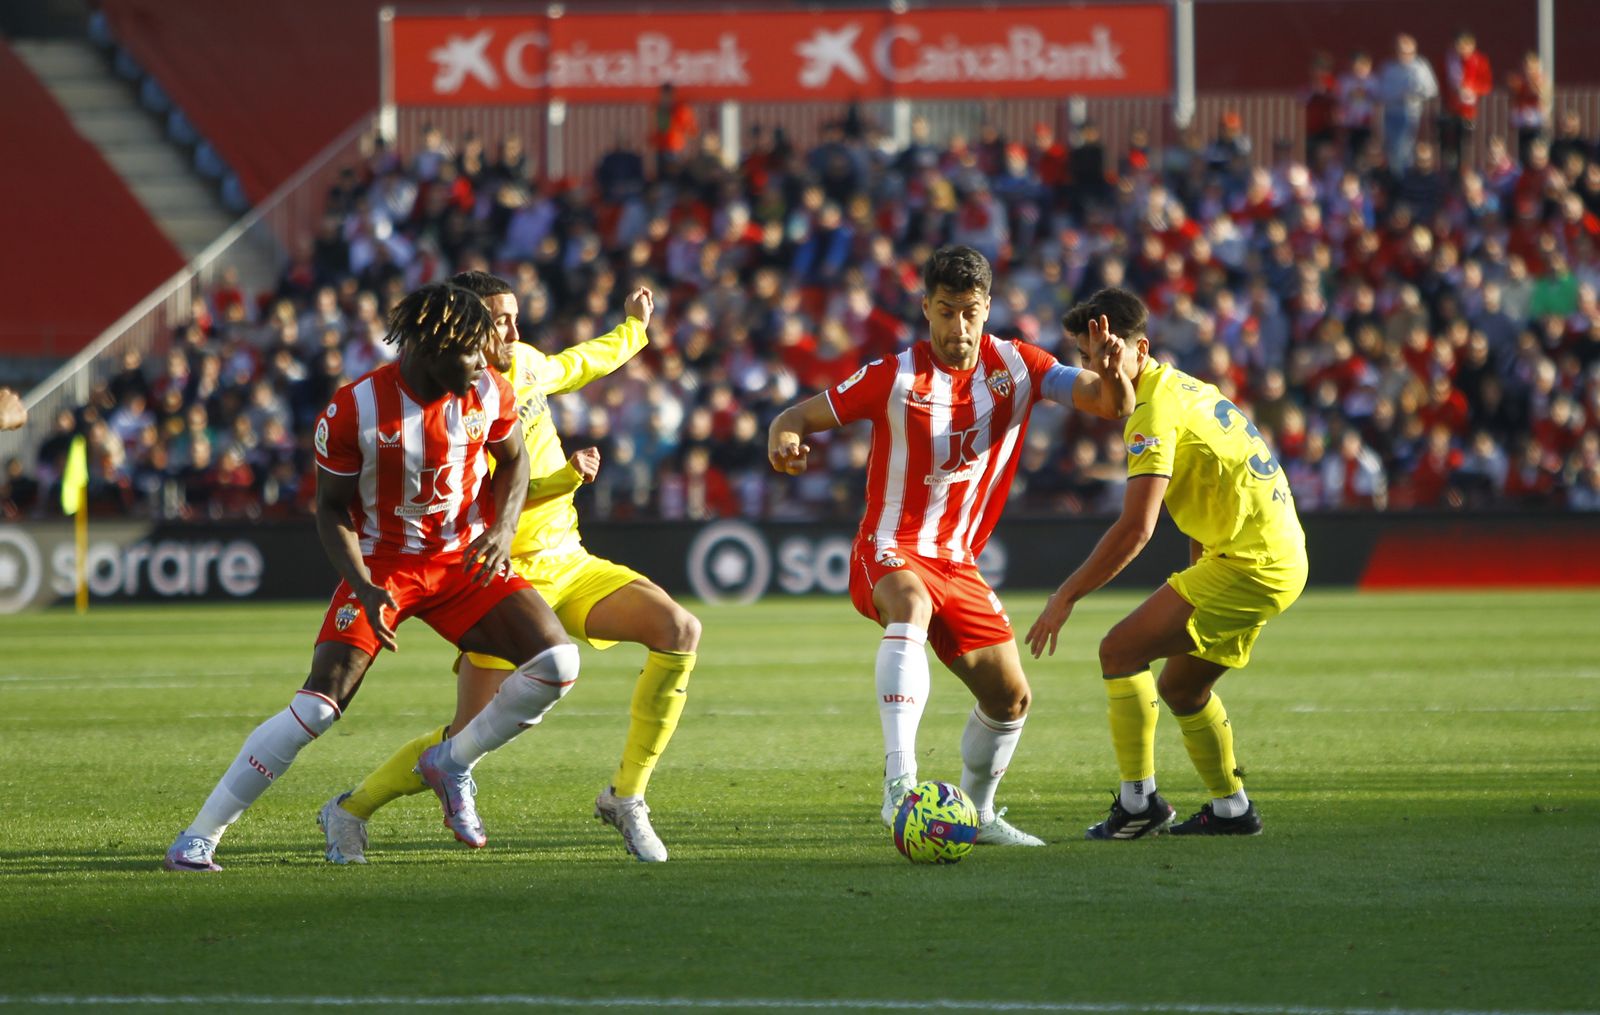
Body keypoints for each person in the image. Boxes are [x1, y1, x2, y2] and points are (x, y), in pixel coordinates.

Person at [164, 283, 583, 871]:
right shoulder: (354, 408)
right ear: (436, 346)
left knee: (559, 664)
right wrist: (361, 585)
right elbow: (330, 510)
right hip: (383, 567)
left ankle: (451, 760)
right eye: (473, 349)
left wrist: (502, 530)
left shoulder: (489, 389)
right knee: (315, 708)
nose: (485, 360)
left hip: (462, 561)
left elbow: (513, 460)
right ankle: (197, 838)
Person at [318, 271, 701, 864]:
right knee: (461, 742)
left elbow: (579, 363)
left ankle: (626, 797)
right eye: (500, 320)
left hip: (568, 562)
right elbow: (494, 492)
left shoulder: (521, 363)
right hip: (498, 580)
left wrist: (634, 329)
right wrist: (567, 476)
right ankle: (350, 809)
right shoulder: (457, 395)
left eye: (515, 317)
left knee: (678, 629)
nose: (513, 331)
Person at [767, 245, 1134, 846]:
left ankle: (979, 813)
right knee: (909, 603)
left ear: (987, 308)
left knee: (1010, 697)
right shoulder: (894, 375)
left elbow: (1108, 404)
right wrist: (783, 443)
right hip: (889, 546)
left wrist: (1113, 367)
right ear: (925, 309)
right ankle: (899, 786)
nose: (957, 328)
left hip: (958, 562)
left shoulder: (1020, 365)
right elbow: (795, 416)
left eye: (968, 312)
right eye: (944, 312)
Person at [1027, 288, 1307, 839]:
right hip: (1273, 555)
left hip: (1253, 564)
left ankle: (1139, 804)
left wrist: (1065, 596)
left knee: (1118, 650)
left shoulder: (1152, 411)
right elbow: (1215, 495)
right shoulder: (1183, 388)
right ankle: (1232, 810)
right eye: (1089, 361)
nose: (1100, 371)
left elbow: (1135, 528)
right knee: (1182, 690)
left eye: (1109, 356)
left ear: (1141, 349)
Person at [1379, 33, 1438, 174]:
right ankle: (1396, 179)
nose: (1405, 55)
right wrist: (1399, 94)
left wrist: (1417, 91)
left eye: (1408, 52)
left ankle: (1407, 178)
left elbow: (1432, 89)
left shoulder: (1420, 67)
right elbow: (1381, 92)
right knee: (1393, 150)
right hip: (1392, 112)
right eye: (1401, 51)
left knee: (1408, 150)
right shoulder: (1389, 68)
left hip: (1412, 114)